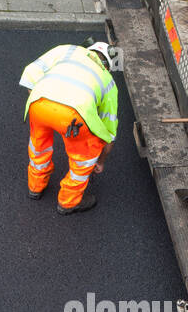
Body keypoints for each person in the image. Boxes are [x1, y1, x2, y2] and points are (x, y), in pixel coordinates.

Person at [19, 42, 119, 214]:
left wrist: (43, 101)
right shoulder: (107, 80)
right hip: (74, 117)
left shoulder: (67, 50)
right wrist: (99, 161)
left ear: (89, 50)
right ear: (107, 66)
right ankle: (68, 202)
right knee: (83, 158)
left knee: (39, 146)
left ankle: (35, 187)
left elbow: (29, 75)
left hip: (39, 102)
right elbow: (108, 132)